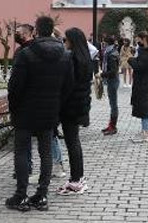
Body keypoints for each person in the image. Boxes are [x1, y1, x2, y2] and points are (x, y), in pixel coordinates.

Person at [5, 16, 73, 212]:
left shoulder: (26, 54)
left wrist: (15, 108)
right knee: (45, 153)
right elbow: (68, 86)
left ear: (36, 31)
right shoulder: (65, 55)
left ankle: (21, 195)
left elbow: (15, 87)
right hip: (50, 111)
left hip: (25, 111)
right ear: (52, 30)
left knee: (22, 151)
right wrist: (57, 105)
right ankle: (42, 195)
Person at [57, 27, 92, 195]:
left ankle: (76, 180)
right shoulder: (85, 58)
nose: (64, 42)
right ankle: (77, 177)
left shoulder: (72, 59)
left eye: (66, 40)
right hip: (79, 106)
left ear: (72, 41)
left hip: (70, 108)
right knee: (74, 143)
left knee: (72, 143)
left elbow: (67, 86)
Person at [12, 23, 35, 180]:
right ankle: (27, 166)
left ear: (26, 34)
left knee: (22, 142)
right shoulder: (22, 50)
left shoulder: (25, 52)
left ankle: (24, 170)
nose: (16, 34)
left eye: (18, 32)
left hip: (25, 102)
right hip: (32, 101)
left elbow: (16, 81)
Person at [128, 31, 148, 143]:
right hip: (141, 81)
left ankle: (147, 131)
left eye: (138, 38)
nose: (137, 40)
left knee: (144, 105)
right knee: (141, 104)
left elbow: (140, 66)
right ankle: (145, 129)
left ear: (144, 38)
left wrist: (130, 60)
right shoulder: (144, 50)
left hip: (143, 82)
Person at [100, 36, 121, 135]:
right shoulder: (113, 51)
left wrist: (102, 74)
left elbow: (113, 71)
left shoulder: (111, 54)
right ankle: (110, 125)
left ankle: (113, 127)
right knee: (112, 104)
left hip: (113, 80)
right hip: (112, 80)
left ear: (106, 43)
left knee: (113, 104)